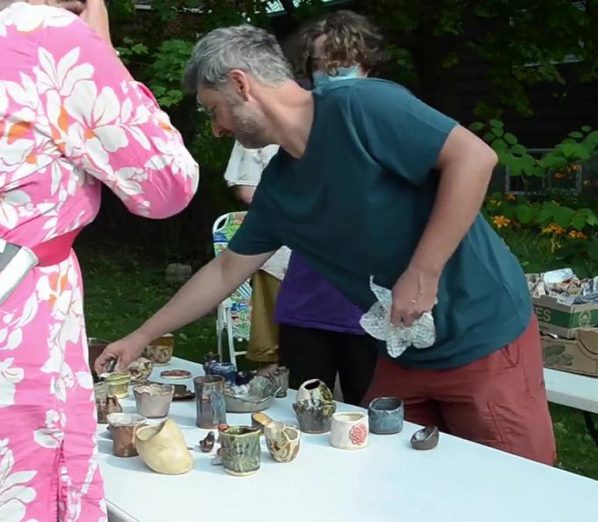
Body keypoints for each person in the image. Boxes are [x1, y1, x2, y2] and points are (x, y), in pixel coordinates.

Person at [97, 23, 556, 465]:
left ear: (241, 84)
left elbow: (475, 157)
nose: (216, 129)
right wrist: (140, 336)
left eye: (211, 109)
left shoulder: (359, 106)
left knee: (515, 491)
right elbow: (224, 271)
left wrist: (423, 271)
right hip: (401, 353)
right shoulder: (278, 188)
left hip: (484, 336)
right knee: (387, 484)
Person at [0, 1, 199, 520]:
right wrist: (103, 53)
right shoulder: (46, 36)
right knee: (31, 488)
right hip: (17, 321)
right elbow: (165, 185)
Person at [273, 11, 384, 405]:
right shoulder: (300, 131)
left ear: (366, 67)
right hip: (306, 307)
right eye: (320, 66)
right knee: (300, 420)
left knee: (372, 424)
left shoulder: (391, 123)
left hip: (373, 312)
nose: (330, 74)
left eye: (341, 64)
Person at [223, 140, 288, 373]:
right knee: (274, 347)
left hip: (309, 251)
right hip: (277, 250)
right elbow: (248, 191)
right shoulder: (251, 133)